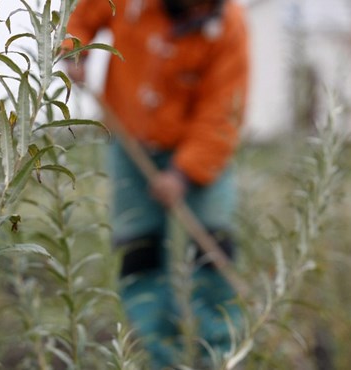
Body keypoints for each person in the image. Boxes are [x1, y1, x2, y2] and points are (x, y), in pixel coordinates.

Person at [63, 0, 249, 368]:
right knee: (141, 255)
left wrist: (184, 173)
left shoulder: (230, 26)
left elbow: (223, 111)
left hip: (199, 149)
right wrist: (75, 50)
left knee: (210, 251)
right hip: (130, 142)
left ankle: (222, 358)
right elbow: (82, 15)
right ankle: (161, 358)